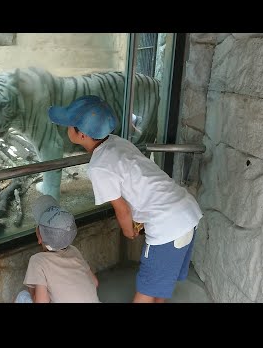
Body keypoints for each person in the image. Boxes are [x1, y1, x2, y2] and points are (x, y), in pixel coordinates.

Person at [47, 95, 203, 303]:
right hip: (187, 211)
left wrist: (129, 231)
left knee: (147, 289)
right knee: (160, 284)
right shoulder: (118, 141)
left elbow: (122, 209)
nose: (67, 128)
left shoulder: (99, 166)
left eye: (69, 125)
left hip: (168, 224)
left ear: (82, 134)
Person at [14, 194, 100, 303]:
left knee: (22, 296)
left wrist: (32, 289)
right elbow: (95, 282)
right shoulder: (74, 250)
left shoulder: (38, 261)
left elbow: (41, 302)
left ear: (39, 237)